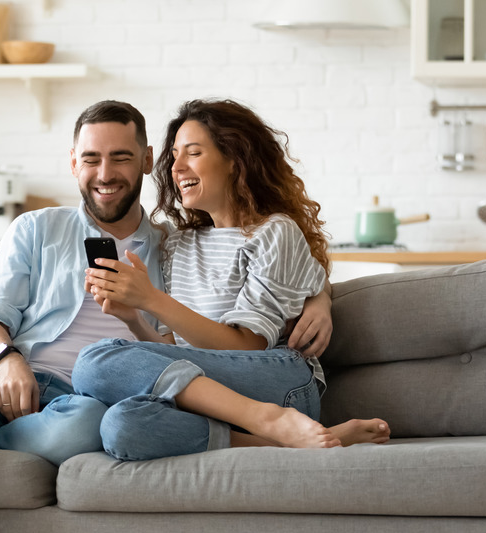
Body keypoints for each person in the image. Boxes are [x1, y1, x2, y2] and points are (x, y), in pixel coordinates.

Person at [0, 100, 334, 533]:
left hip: (86, 401)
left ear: (147, 161)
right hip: (11, 381)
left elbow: (274, 265)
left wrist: (321, 298)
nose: (105, 173)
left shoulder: (169, 244)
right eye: (91, 159)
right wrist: (6, 360)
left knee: (90, 423)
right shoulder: (35, 229)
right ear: (74, 164)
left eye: (121, 157)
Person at [72, 99, 389, 461]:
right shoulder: (178, 243)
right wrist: (133, 318)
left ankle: (270, 418)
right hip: (210, 391)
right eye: (174, 155)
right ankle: (284, 438)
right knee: (121, 426)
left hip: (278, 383)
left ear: (234, 160)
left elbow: (247, 347)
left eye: (193, 152)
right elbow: (176, 357)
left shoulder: (273, 233)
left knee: (93, 361)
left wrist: (151, 299)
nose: (176, 167)